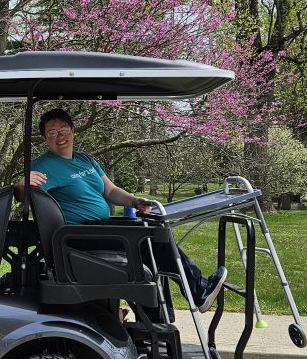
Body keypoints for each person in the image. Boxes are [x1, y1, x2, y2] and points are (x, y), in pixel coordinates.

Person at [21, 108, 227, 318]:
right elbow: (24, 194)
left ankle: (161, 320)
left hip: (100, 228)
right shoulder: (43, 166)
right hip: (80, 236)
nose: (60, 136)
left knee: (153, 233)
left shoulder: (85, 159)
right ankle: (197, 290)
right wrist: (20, 184)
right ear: (46, 138)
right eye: (52, 133)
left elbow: (110, 190)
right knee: (150, 237)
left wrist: (134, 200)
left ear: (73, 130)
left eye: (63, 129)